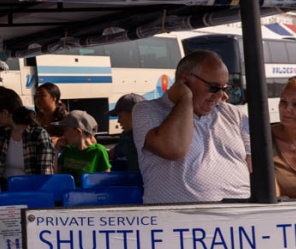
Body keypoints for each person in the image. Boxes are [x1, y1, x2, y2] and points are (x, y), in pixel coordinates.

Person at [132, 50, 251, 204]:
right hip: (181, 220)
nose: (220, 95)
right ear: (185, 80)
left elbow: (256, 165)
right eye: (214, 88)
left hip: (242, 217)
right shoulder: (147, 110)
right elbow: (174, 149)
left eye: (224, 88)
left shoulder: (234, 114)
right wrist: (184, 98)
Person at [0, 87, 55, 178]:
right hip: (2, 190)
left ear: (5, 113)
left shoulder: (38, 135)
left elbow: (45, 174)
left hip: (30, 190)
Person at [55, 111, 110, 176]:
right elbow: (56, 175)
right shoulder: (67, 150)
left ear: (78, 131)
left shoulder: (98, 151)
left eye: (66, 130)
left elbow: (106, 178)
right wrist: (56, 150)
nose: (64, 134)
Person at [108, 94, 145, 172]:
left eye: (120, 116)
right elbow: (114, 152)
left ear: (134, 114)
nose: (118, 121)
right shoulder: (126, 136)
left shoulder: (154, 137)